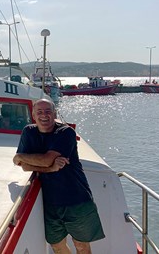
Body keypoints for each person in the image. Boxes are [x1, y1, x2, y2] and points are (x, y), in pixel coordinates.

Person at [13, 98, 105, 254]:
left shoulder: (65, 132)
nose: (44, 115)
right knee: (57, 245)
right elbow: (23, 166)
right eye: (39, 112)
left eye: (48, 111)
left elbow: (45, 159)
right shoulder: (29, 132)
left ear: (54, 114)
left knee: (81, 245)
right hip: (51, 203)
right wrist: (50, 168)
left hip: (77, 199)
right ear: (33, 115)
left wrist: (22, 157)